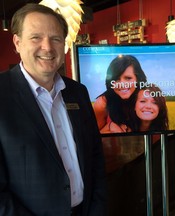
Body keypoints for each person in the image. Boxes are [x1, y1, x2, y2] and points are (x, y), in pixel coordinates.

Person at [0, 3, 106, 216]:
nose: (47, 47)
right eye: (36, 37)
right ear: (17, 42)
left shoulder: (78, 92)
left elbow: (95, 157)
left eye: (56, 38)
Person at [93, 55, 147, 133]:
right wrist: (109, 127)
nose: (122, 84)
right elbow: (94, 137)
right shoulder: (102, 103)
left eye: (128, 78)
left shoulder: (146, 98)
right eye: (116, 79)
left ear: (138, 79)